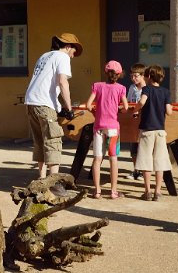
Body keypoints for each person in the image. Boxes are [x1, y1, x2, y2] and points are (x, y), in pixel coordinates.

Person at [25, 32, 83, 179]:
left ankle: (42, 179)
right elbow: (63, 82)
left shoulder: (44, 56)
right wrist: (69, 108)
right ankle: (53, 183)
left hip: (31, 102)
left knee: (39, 142)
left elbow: (45, 83)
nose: (73, 56)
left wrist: (58, 108)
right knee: (53, 141)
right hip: (44, 104)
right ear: (68, 46)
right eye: (74, 52)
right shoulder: (62, 57)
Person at [84, 60, 128, 199]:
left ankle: (97, 191)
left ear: (106, 72)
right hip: (113, 128)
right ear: (119, 74)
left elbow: (88, 104)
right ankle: (113, 191)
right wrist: (118, 110)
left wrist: (95, 113)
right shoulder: (121, 88)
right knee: (113, 158)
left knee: (97, 159)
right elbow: (126, 107)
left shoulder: (97, 86)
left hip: (98, 127)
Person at [133, 65, 172, 201]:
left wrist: (135, 110)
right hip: (160, 130)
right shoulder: (166, 92)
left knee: (146, 161)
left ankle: (147, 191)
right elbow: (169, 111)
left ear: (148, 77)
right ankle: (158, 192)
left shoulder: (147, 89)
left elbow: (142, 102)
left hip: (147, 129)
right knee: (159, 161)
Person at [127, 63, 146, 180]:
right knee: (133, 147)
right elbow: (128, 102)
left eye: (136, 76)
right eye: (132, 76)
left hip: (144, 121)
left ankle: (144, 171)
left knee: (142, 147)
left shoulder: (147, 88)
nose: (134, 78)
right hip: (133, 121)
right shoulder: (131, 88)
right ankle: (136, 170)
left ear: (143, 76)